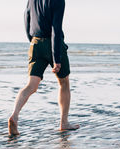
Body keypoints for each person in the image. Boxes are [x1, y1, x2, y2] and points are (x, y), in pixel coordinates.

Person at [8, 0, 79, 136]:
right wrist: (56, 58)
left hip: (35, 42)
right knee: (64, 83)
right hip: (53, 44)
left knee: (31, 86)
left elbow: (26, 18)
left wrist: (32, 40)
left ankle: (15, 115)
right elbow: (56, 28)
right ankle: (64, 123)